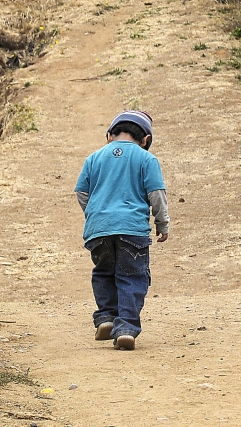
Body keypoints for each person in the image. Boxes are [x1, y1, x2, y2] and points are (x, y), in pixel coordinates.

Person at [74, 110, 168, 350]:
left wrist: (95, 212)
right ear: (145, 139)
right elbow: (155, 194)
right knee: (132, 276)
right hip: (132, 229)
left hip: (99, 229)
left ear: (109, 135)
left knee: (104, 272)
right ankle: (125, 327)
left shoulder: (93, 158)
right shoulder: (147, 159)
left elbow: (81, 192)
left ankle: (105, 318)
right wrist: (162, 223)